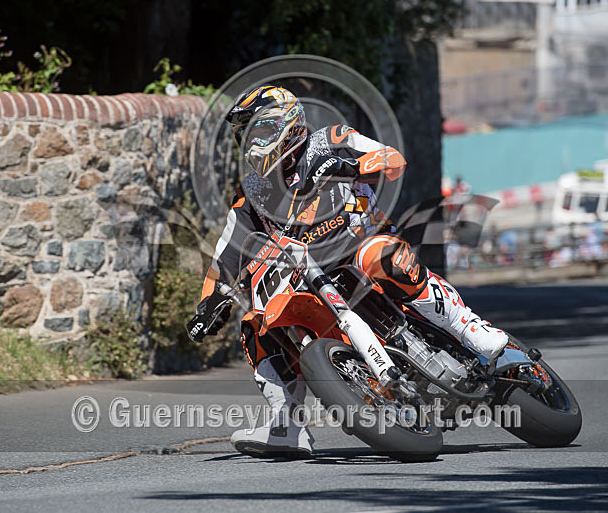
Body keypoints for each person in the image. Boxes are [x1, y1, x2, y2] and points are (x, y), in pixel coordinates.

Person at [186, 85, 508, 458]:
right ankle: (286, 423)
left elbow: (392, 159)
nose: (251, 144)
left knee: (382, 256)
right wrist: (208, 303)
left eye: (257, 132)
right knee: (257, 324)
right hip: (308, 271)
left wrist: (355, 166)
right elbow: (225, 257)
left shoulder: (329, 140)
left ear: (284, 124)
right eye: (246, 137)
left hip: (360, 243)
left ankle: (467, 326)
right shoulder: (252, 192)